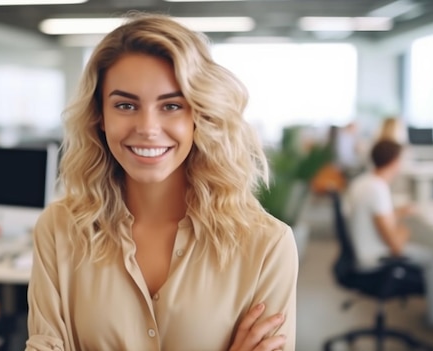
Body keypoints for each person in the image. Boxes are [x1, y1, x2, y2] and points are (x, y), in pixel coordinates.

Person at [26, 14, 298, 351]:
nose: (148, 127)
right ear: (99, 115)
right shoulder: (59, 229)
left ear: (200, 114)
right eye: (125, 105)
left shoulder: (266, 246)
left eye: (171, 105)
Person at [346, 140, 433, 325]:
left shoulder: (363, 182)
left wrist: (398, 213)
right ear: (394, 161)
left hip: (360, 252)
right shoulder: (378, 189)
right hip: (375, 259)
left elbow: (375, 217)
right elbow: (397, 247)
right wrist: (405, 229)